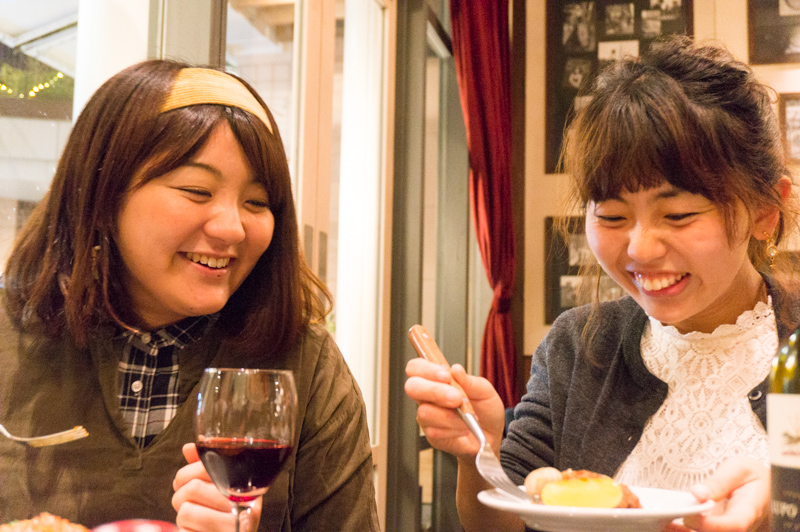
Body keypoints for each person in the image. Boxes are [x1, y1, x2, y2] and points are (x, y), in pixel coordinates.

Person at [405, 36, 798, 532]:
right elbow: (506, 522)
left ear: (764, 212)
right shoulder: (577, 346)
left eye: (678, 214)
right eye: (611, 215)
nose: (640, 249)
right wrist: (478, 450)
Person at [0, 60, 379, 532]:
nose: (232, 228)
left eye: (257, 202)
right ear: (103, 195)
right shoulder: (11, 340)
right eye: (197, 191)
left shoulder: (306, 365)